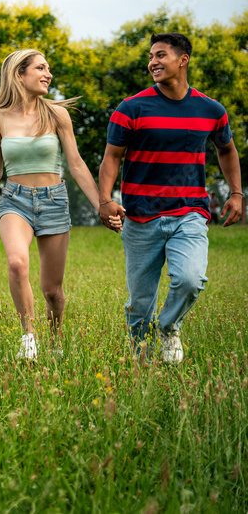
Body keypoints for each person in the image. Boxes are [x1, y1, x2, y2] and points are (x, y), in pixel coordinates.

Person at [99, 32, 242, 364]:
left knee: (191, 278)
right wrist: (105, 200)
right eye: (151, 56)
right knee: (140, 303)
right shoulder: (131, 108)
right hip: (140, 214)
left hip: (189, 211)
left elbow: (227, 149)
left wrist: (236, 193)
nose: (153, 62)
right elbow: (111, 157)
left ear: (183, 60)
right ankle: (141, 368)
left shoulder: (211, 109)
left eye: (160, 55)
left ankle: (169, 327)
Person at [0, 49, 117, 361]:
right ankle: (28, 338)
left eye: (48, 68)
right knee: (17, 264)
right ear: (19, 74)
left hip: (54, 201)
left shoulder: (57, 115)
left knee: (52, 290)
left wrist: (103, 204)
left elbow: (76, 165)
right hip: (14, 201)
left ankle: (56, 340)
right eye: (40, 68)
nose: (48, 74)